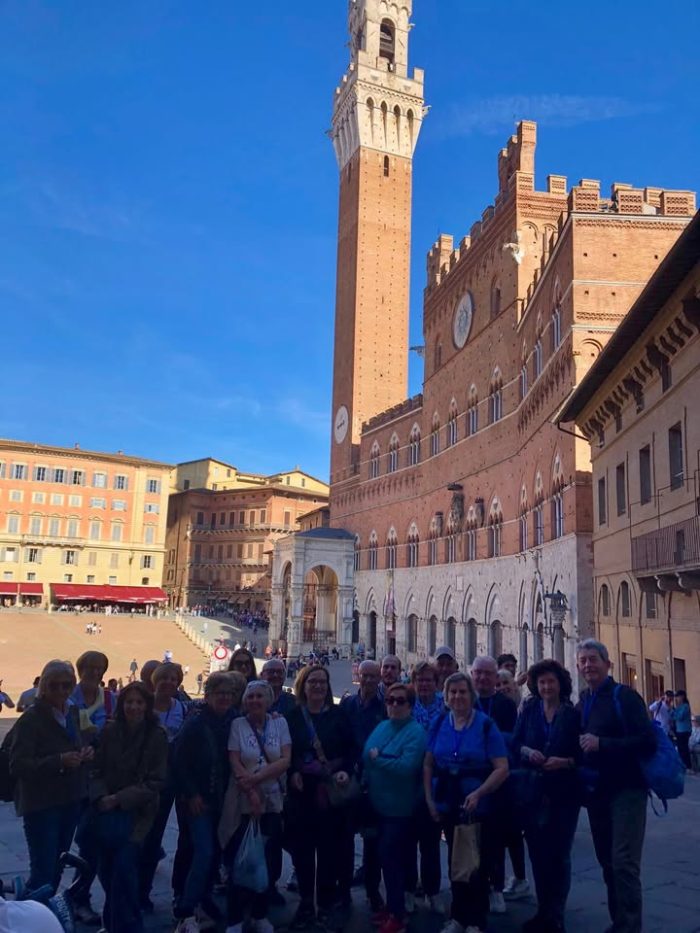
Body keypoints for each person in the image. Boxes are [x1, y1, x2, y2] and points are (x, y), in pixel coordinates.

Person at [576, 638, 656, 933]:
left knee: (623, 862)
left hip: (628, 791)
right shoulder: (584, 700)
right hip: (598, 793)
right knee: (607, 862)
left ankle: (631, 927)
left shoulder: (625, 697)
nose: (587, 665)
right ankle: (618, 921)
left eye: (593, 659)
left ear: (607, 664)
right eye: (583, 661)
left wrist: (602, 744)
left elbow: (647, 741)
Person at [424, 671, 509, 933]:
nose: (458, 696)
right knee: (454, 859)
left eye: (463, 692)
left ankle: (476, 920)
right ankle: (458, 917)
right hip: (448, 801)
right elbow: (428, 764)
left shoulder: (485, 725)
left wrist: (480, 793)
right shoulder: (439, 722)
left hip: (478, 804)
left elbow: (501, 768)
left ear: (471, 696)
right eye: (453, 692)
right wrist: (429, 800)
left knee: (477, 863)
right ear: (446, 697)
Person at [89, 681, 168, 933]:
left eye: (139, 702)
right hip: (106, 811)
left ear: (147, 706)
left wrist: (119, 798)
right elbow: (95, 769)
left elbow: (156, 781)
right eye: (129, 702)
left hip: (137, 815)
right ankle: (114, 923)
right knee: (107, 872)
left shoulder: (157, 736)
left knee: (124, 872)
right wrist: (101, 796)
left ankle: (128, 927)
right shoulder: (109, 732)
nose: (133, 707)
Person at [9, 660, 94, 893]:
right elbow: (18, 764)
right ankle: (28, 919)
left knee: (58, 865)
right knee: (43, 870)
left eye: (66, 685)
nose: (60, 691)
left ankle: (46, 915)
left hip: (70, 799)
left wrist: (85, 752)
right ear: (44, 686)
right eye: (54, 685)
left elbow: (79, 742)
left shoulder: (73, 711)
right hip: (42, 804)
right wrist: (59, 761)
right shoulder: (31, 719)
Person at [511, 659, 581, 933]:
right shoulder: (529, 709)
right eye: (542, 682)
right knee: (538, 854)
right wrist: (529, 753)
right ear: (535, 686)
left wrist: (565, 762)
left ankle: (556, 916)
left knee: (560, 855)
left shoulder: (572, 714)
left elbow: (583, 754)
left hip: (564, 793)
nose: (547, 686)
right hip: (533, 791)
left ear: (560, 684)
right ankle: (543, 911)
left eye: (551, 681)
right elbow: (516, 743)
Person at [285, 665, 356, 929]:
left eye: (322, 682)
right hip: (302, 794)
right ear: (303, 685)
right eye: (312, 682)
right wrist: (292, 771)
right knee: (302, 852)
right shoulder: (293, 716)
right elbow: (285, 751)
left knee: (329, 852)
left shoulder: (338, 715)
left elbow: (351, 750)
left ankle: (324, 903)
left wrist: (345, 772)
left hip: (330, 793)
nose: (318, 686)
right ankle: (305, 902)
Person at [222, 680, 292, 933]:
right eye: (250, 697)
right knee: (240, 861)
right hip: (243, 800)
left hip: (272, 801)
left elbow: (286, 759)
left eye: (259, 696)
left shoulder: (280, 723)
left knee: (267, 859)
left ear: (270, 700)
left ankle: (260, 913)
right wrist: (251, 788)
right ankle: (235, 918)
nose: (254, 701)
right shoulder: (237, 725)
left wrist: (256, 780)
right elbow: (234, 760)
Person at [172, 672, 239, 932]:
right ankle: (186, 908)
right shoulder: (195, 723)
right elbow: (178, 762)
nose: (224, 697)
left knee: (215, 853)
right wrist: (191, 794)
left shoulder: (234, 720)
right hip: (200, 800)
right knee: (204, 852)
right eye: (219, 692)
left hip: (223, 799)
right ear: (208, 694)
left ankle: (204, 896)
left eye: (228, 693)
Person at [363, 683, 427, 933]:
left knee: (393, 862)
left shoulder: (416, 732)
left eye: (400, 701)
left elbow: (407, 767)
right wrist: (381, 759)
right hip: (376, 805)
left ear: (410, 705)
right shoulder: (382, 726)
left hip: (400, 809)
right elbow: (366, 754)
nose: (394, 705)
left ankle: (399, 916)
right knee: (381, 859)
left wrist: (379, 759)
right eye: (390, 700)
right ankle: (391, 908)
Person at [471, 655, 521, 913]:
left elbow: (511, 740)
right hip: (471, 780)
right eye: (478, 673)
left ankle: (496, 889)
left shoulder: (504, 704)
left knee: (495, 838)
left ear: (494, 677)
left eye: (487, 674)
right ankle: (475, 888)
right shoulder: (466, 700)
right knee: (472, 839)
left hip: (499, 780)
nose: (482, 678)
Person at [139, 662, 189, 910]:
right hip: (142, 781)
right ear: (153, 680)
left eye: (174, 678)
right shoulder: (142, 706)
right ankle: (129, 889)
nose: (169, 682)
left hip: (168, 783)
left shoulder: (182, 708)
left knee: (154, 836)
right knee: (137, 836)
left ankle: (143, 891)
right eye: (164, 678)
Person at [70, 651, 115, 924]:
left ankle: (79, 897)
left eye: (99, 668)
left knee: (90, 844)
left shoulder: (111, 699)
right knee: (57, 846)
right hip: (65, 780)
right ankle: (47, 901)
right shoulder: (66, 694)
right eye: (89, 666)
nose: (94, 672)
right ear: (80, 668)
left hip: (97, 782)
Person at [339, 660, 385, 912]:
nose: (368, 680)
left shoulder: (385, 707)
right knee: (345, 839)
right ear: (358, 676)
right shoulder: (347, 704)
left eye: (372, 677)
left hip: (374, 781)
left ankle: (372, 889)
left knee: (372, 840)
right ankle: (343, 891)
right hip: (350, 777)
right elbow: (340, 738)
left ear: (378, 679)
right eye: (364, 676)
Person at [407, 661, 444, 912]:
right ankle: (409, 890)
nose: (424, 684)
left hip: (438, 781)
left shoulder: (446, 704)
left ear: (436, 682)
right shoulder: (406, 703)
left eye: (429, 679)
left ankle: (432, 890)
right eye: (420, 679)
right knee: (408, 841)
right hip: (409, 781)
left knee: (431, 842)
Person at [672, 690, 692, 771]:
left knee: (684, 748)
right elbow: (673, 716)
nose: (676, 698)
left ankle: (688, 766)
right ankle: (683, 765)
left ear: (682, 696)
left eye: (678, 696)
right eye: (676, 697)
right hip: (679, 730)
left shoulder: (685, 706)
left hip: (685, 730)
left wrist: (674, 712)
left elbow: (680, 717)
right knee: (680, 748)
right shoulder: (678, 706)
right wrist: (671, 710)